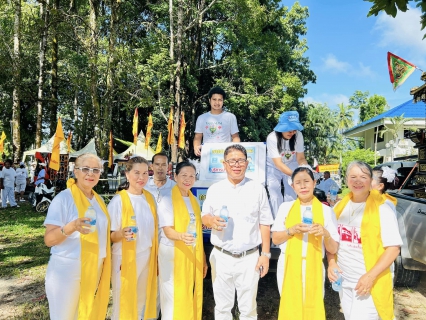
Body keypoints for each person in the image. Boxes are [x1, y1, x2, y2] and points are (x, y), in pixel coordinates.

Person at [201, 144, 273, 320]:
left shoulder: (257, 189)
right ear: (224, 164)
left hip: (249, 258)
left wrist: (265, 254)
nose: (236, 164)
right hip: (221, 257)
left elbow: (265, 223)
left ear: (247, 163)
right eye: (232, 161)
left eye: (240, 160)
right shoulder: (215, 189)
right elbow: (204, 217)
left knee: (248, 309)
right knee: (222, 308)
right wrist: (211, 221)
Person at [327, 161, 402, 320]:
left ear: (371, 181)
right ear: (347, 180)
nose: (357, 181)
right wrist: (332, 262)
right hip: (344, 279)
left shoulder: (383, 209)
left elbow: (393, 248)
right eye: (353, 176)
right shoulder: (339, 207)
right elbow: (332, 241)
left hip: (368, 282)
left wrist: (370, 276)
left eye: (363, 177)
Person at [43, 153, 111, 320]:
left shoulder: (99, 200)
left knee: (84, 315)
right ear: (75, 171)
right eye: (85, 169)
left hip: (93, 267)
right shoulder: (63, 199)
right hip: (68, 269)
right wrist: (71, 227)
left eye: (96, 169)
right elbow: (49, 240)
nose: (90, 173)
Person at [271, 167, 339, 319]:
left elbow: (333, 248)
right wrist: (291, 230)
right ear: (292, 186)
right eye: (298, 183)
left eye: (306, 181)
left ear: (314, 183)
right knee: (290, 307)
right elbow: (275, 239)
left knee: (311, 308)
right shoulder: (285, 208)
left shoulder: (326, 211)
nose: (303, 186)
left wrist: (326, 234)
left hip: (314, 265)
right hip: (288, 264)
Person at [108, 156, 158, 320]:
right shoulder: (118, 201)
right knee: (123, 303)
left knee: (140, 303)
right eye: (137, 172)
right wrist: (121, 234)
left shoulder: (150, 199)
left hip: (146, 256)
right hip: (124, 258)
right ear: (127, 174)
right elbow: (111, 236)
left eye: (145, 173)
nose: (141, 177)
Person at [157, 161, 208, 319]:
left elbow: (197, 233)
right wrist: (181, 236)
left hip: (190, 254)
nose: (188, 179)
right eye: (184, 175)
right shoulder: (167, 198)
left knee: (187, 294)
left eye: (192, 176)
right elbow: (167, 230)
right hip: (172, 255)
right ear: (175, 176)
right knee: (173, 299)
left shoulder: (193, 200)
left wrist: (203, 259)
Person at [266, 110, 308, 218]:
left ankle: (290, 219)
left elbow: (301, 158)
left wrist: (305, 170)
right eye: (289, 129)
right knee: (275, 193)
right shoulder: (272, 138)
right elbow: (278, 164)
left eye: (294, 129)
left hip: (291, 163)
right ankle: (277, 221)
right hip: (273, 166)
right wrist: (296, 175)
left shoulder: (298, 135)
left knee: (291, 192)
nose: (292, 132)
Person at [193, 86, 240, 156]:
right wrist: (196, 148)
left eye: (220, 100)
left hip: (225, 155)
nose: (217, 102)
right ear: (209, 100)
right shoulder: (201, 118)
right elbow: (197, 137)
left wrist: (235, 152)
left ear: (223, 101)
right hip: (207, 155)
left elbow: (235, 137)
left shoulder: (230, 117)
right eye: (214, 99)